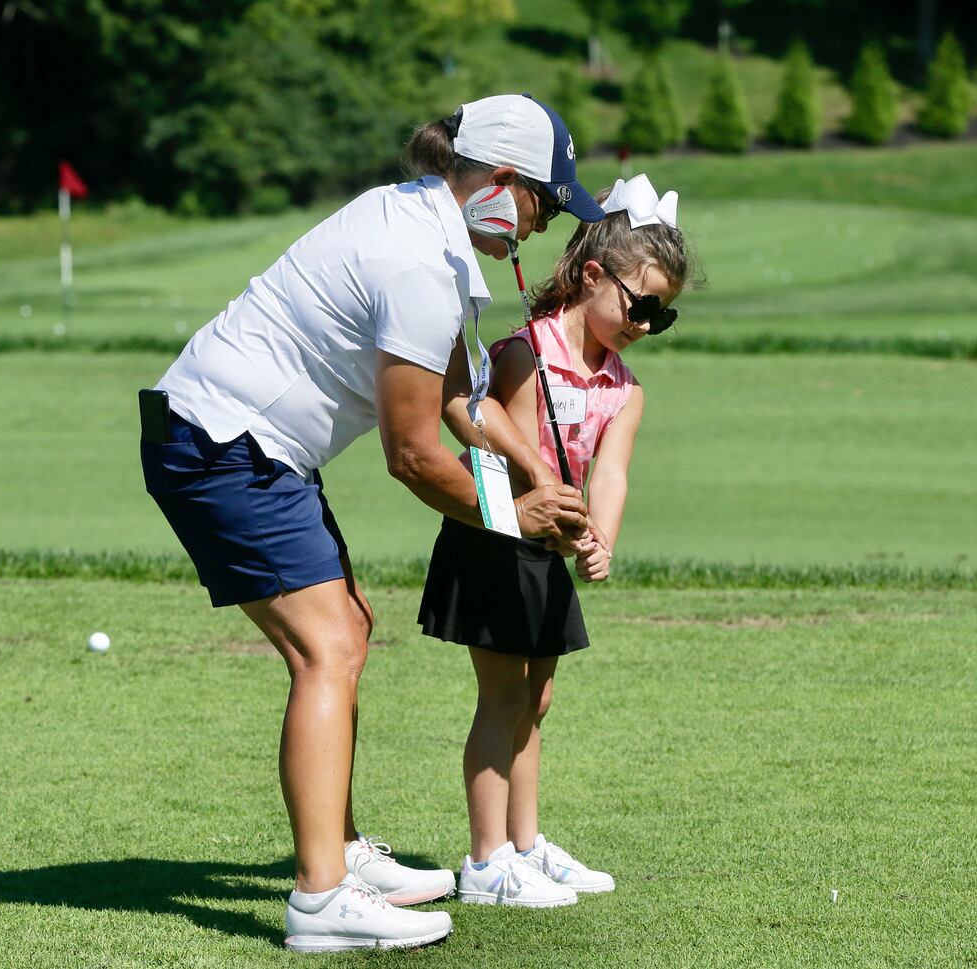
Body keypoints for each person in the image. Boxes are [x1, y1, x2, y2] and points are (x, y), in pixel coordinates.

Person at [139, 94, 606, 952]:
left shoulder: (419, 224)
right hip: (223, 443)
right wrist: (518, 515)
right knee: (330, 647)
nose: (542, 225)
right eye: (544, 201)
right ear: (501, 182)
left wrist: (540, 470)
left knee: (347, 626)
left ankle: (340, 853)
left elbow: (463, 394)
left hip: (245, 444)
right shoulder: (418, 264)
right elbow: (414, 455)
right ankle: (321, 901)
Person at [416, 174, 692, 907]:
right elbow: (481, 421)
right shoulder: (526, 352)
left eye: (661, 318)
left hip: (545, 552)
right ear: (593, 275)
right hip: (496, 537)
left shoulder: (624, 387)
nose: (645, 324)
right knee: (502, 698)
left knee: (537, 701)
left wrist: (600, 537)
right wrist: (537, 472)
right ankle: (486, 861)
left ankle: (526, 846)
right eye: (641, 306)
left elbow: (612, 473)